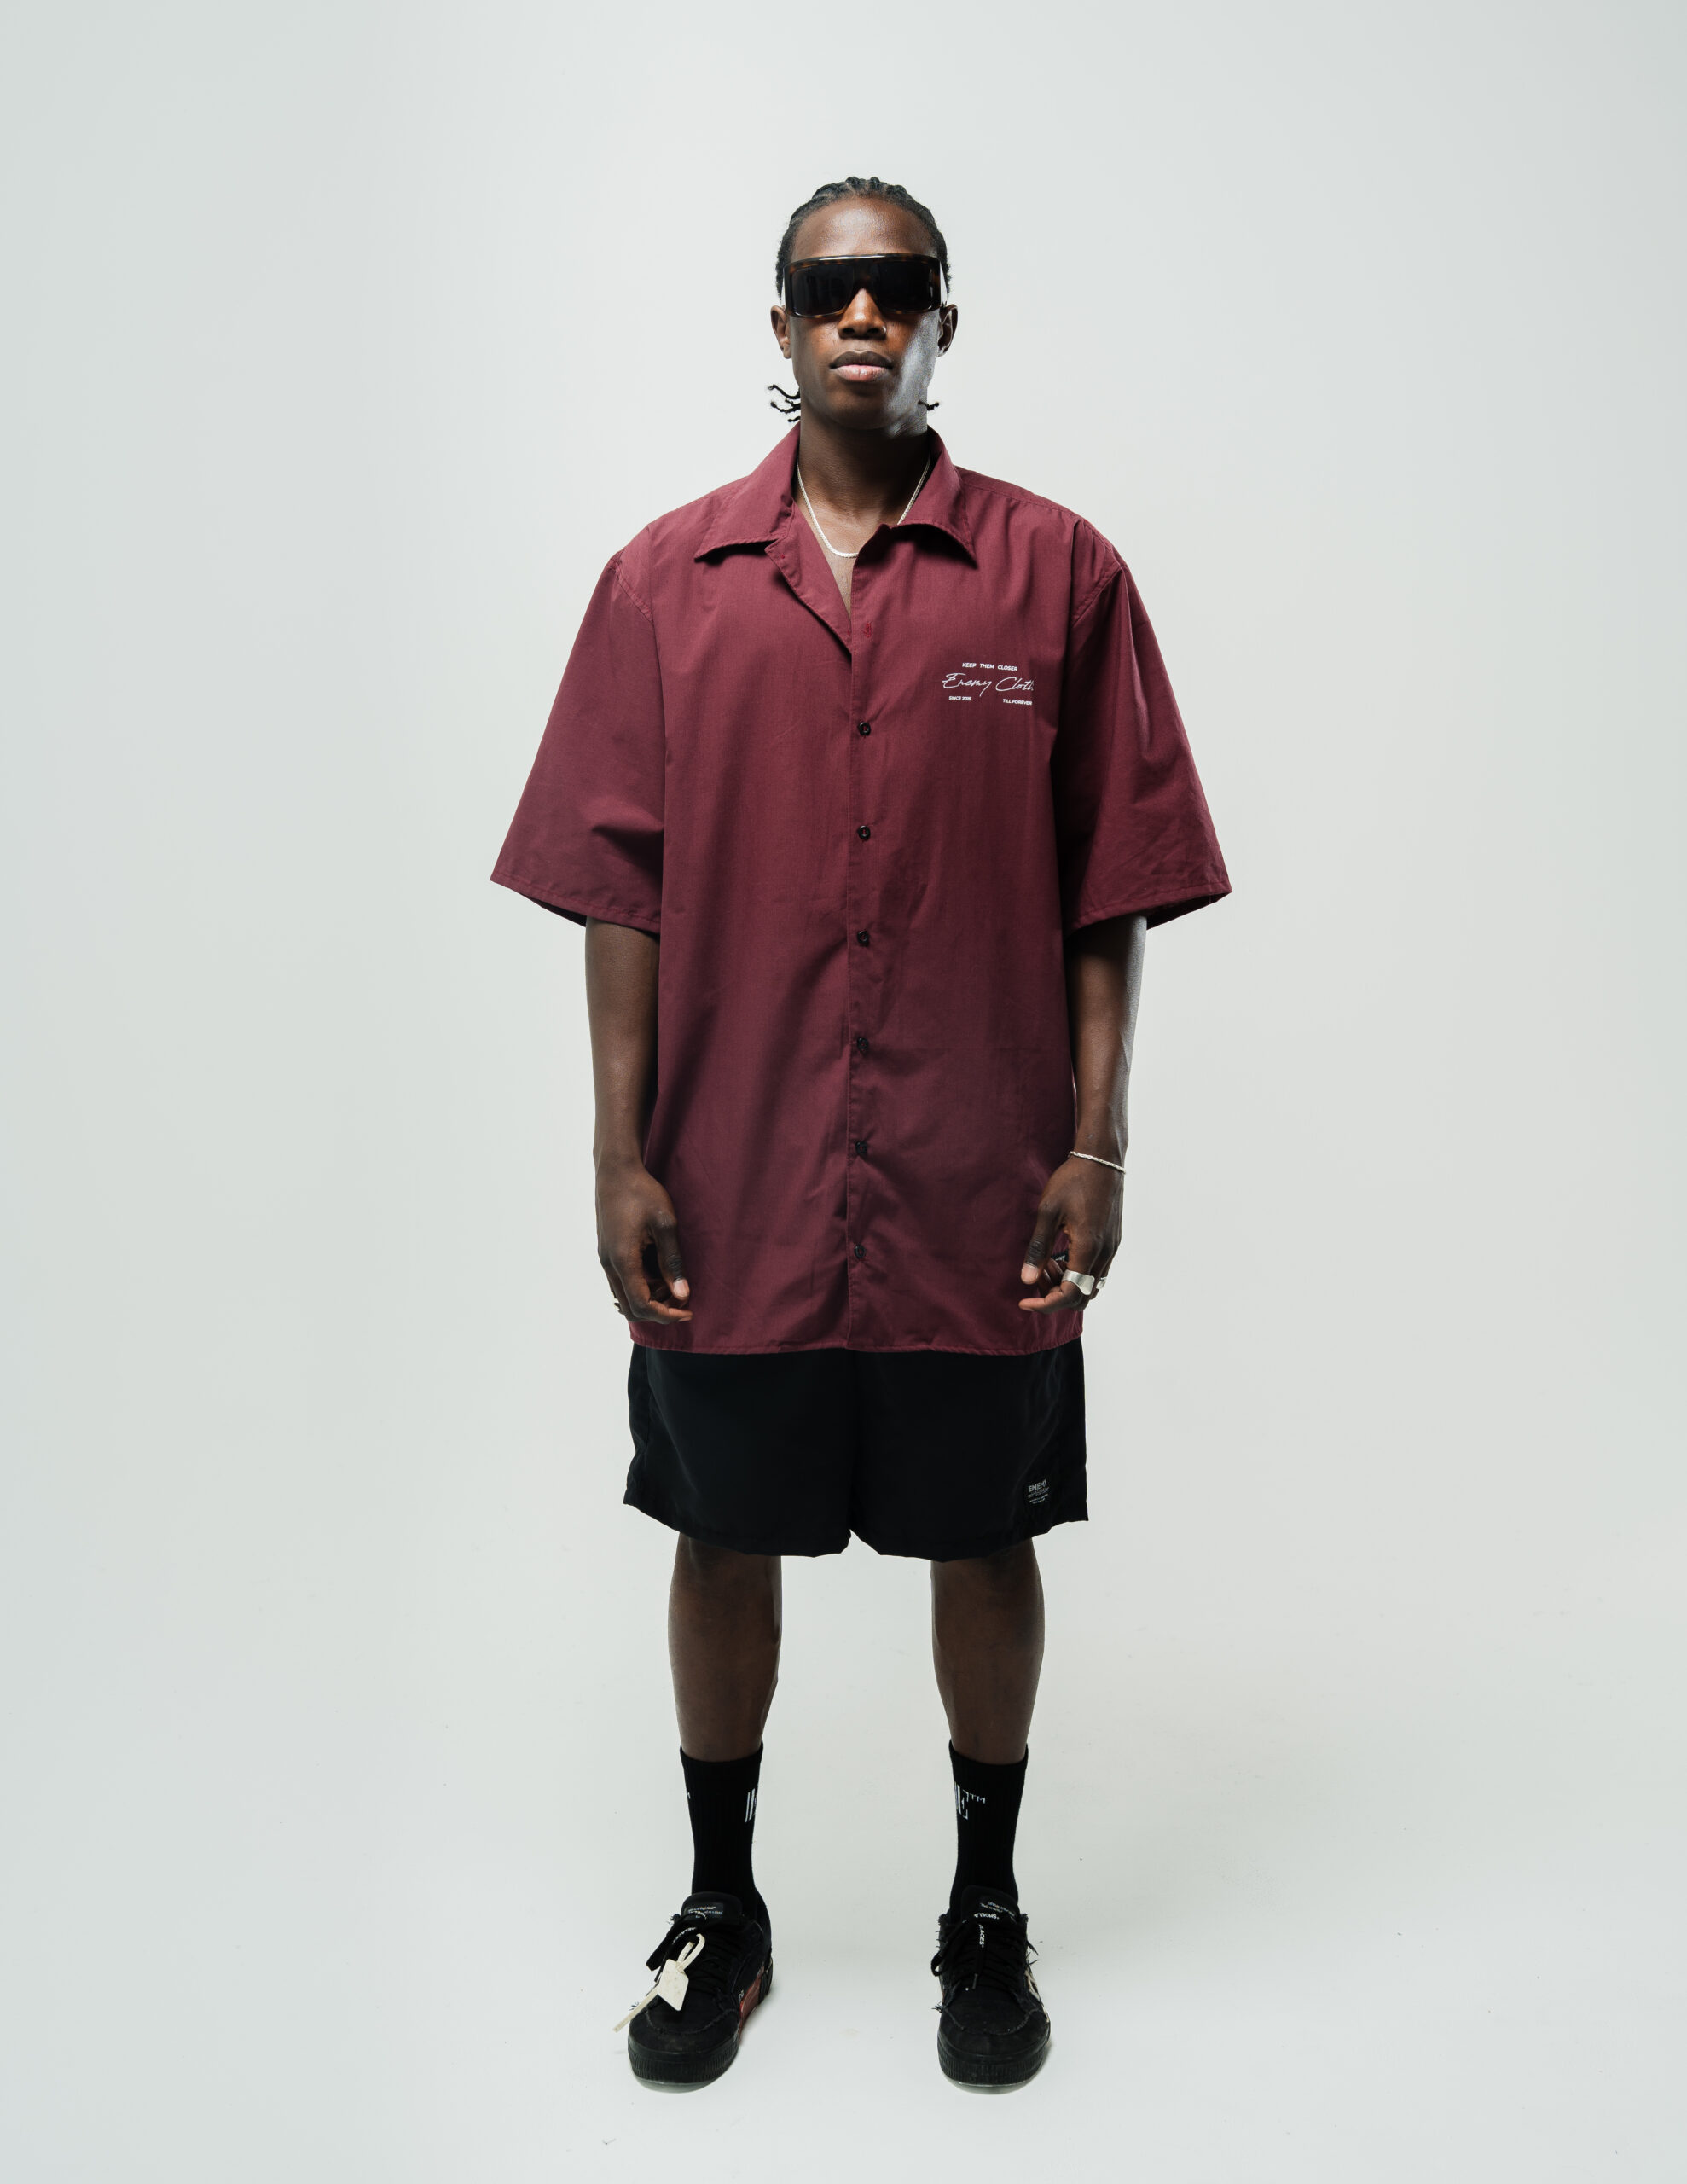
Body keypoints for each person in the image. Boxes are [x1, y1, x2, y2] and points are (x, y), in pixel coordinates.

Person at [491, 175, 1229, 2089]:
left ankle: (983, 1908)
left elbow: (1112, 885)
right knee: (716, 1530)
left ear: (941, 324)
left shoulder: (1056, 578)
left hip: (979, 1182)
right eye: (827, 287)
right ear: (778, 322)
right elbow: (617, 892)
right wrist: (617, 1152)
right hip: (731, 1174)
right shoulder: (663, 584)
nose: (861, 315)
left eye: (898, 286)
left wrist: (1098, 1141)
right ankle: (718, 1905)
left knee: (983, 1537)